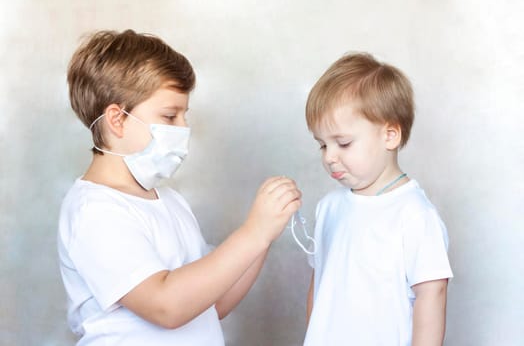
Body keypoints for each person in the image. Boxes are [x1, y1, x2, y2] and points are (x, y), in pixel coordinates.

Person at [57, 29, 301, 346]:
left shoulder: (169, 201)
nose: (184, 128)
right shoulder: (95, 212)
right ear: (117, 119)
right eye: (170, 116)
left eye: (185, 115)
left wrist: (264, 236)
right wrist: (253, 232)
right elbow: (167, 306)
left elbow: (214, 302)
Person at [303, 52, 453, 345]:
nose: (330, 157)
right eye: (322, 145)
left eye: (343, 143)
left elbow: (432, 296)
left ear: (390, 135)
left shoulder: (414, 215)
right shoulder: (329, 208)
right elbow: (319, 287)